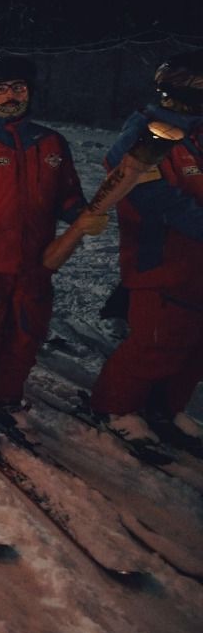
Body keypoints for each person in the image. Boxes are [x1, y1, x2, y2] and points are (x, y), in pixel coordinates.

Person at [0, 54, 99, 437]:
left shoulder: (50, 143)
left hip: (36, 263)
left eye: (19, 88)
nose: (11, 96)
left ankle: (4, 395)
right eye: (0, 89)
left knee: (26, 335)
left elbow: (66, 194)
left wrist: (80, 213)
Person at [88, 53, 203, 451]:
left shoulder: (198, 132)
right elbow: (145, 191)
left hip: (197, 263)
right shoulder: (148, 130)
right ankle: (115, 407)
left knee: (194, 345)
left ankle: (165, 407)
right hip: (160, 257)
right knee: (156, 340)